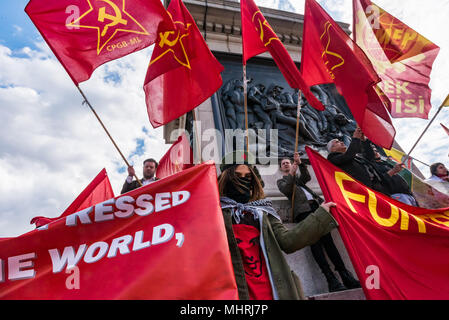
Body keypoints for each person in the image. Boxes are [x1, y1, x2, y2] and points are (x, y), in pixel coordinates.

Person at [218, 151, 339, 300]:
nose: (243, 181)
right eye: (238, 177)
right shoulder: (216, 214)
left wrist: (320, 216)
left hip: (274, 291)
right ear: (226, 179)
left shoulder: (264, 211)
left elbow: (288, 241)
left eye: (248, 177)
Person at [277, 153, 360, 292]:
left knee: (330, 244)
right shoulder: (282, 181)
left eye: (288, 162)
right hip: (303, 213)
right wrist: (292, 171)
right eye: (283, 163)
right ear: (281, 168)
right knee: (315, 246)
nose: (286, 164)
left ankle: (345, 275)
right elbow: (287, 189)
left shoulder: (299, 180)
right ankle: (330, 279)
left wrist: (300, 164)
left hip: (316, 207)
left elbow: (307, 176)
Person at [327, 127, 391, 196]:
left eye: (340, 141)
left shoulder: (356, 156)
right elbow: (348, 156)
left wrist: (364, 140)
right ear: (332, 149)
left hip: (378, 188)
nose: (342, 142)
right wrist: (355, 138)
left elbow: (370, 156)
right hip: (364, 191)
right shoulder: (332, 158)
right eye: (337, 142)